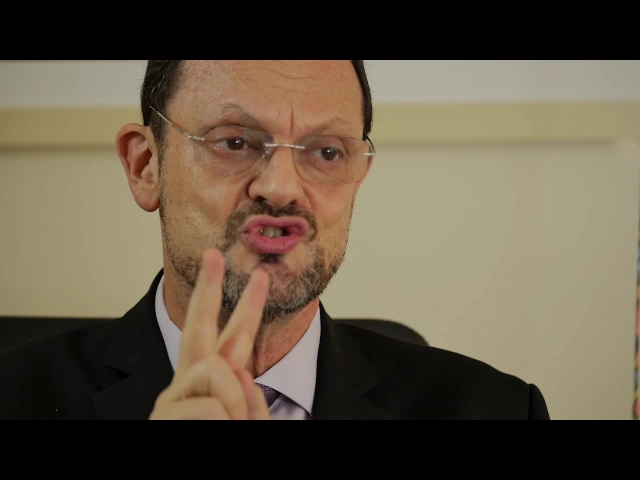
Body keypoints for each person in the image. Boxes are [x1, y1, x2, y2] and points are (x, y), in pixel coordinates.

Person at [0, 60, 550, 420]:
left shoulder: (498, 408)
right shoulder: (14, 396)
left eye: (326, 151)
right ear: (146, 166)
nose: (282, 189)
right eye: (235, 142)